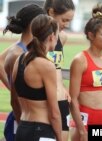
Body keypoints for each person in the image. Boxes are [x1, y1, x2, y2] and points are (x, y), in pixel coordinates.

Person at [12, 14, 62, 141]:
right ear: (52, 37)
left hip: (22, 128)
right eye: (57, 35)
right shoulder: (46, 66)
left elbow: (14, 102)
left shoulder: (20, 59)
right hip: (41, 130)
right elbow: (55, 113)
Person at [69, 3, 102, 141]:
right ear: (91, 35)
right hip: (84, 121)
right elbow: (73, 99)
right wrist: (82, 130)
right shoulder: (80, 60)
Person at [1, 4, 45, 141]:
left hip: (27, 119)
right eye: (43, 21)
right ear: (34, 23)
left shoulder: (19, 49)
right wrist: (23, 126)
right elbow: (15, 100)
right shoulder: (17, 53)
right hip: (21, 120)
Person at [44, 0, 75, 140]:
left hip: (62, 100)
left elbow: (57, 68)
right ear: (51, 12)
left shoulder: (62, 38)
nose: (66, 25)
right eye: (64, 20)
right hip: (43, 102)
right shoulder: (35, 38)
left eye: (69, 21)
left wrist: (62, 86)